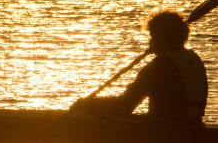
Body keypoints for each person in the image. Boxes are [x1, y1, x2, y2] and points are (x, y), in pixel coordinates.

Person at [70, 11, 208, 126]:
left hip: (162, 130)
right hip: (193, 126)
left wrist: (88, 104)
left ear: (161, 38)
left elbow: (124, 107)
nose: (150, 41)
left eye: (152, 36)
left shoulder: (158, 66)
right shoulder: (195, 60)